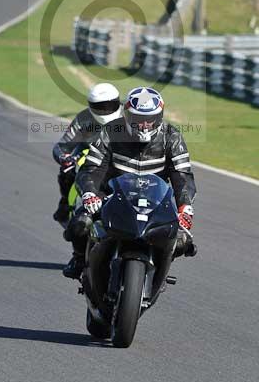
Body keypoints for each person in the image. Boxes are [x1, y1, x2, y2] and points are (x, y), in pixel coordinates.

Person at [62, 85, 196, 279]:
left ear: (159, 117)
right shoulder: (110, 131)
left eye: (150, 119)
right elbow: (92, 168)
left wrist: (185, 206)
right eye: (139, 119)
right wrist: (90, 192)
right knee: (80, 225)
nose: (144, 125)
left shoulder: (172, 137)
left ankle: (159, 272)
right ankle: (79, 259)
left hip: (155, 199)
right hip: (111, 194)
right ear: (127, 116)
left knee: (183, 241)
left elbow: (182, 176)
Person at [52, 83, 122, 224]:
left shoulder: (128, 117)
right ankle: (65, 203)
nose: (105, 110)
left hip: (120, 155)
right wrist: (64, 157)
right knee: (67, 168)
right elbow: (62, 145)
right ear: (91, 106)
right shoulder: (83, 119)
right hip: (88, 153)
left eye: (109, 106)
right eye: (100, 107)